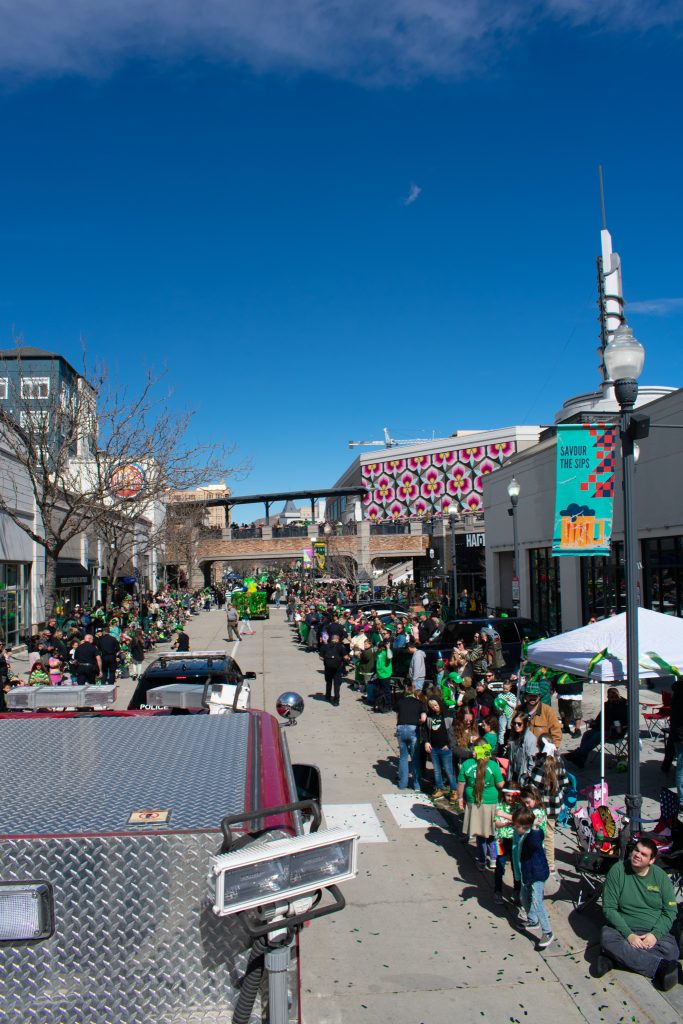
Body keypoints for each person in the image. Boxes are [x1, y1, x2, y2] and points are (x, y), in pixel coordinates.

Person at [598, 837, 679, 990]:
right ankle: (660, 968)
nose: (637, 855)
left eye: (643, 854)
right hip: (624, 930)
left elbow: (670, 911)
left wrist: (655, 934)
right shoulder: (617, 871)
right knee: (607, 938)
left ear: (651, 860)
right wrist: (629, 935)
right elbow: (609, 908)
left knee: (672, 952)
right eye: (636, 850)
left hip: (653, 932)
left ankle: (615, 960)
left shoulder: (660, 877)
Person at [456, 742, 505, 869]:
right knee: (492, 834)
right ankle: (494, 859)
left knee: (480, 835)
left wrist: (460, 798)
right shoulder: (493, 765)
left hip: (474, 803)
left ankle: (482, 861)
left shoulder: (467, 764)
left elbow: (461, 784)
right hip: (491, 803)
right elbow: (500, 785)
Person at [512, 805, 554, 949]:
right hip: (527, 873)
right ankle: (532, 920)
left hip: (537, 873)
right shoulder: (521, 835)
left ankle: (547, 932)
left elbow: (537, 840)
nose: (514, 828)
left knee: (537, 901)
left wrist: (535, 827)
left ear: (525, 826)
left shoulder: (532, 835)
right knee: (524, 896)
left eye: (517, 826)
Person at [529, 734, 569, 882]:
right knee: (550, 834)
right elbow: (564, 781)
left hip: (543, 805)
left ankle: (544, 862)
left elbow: (534, 784)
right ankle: (551, 864)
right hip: (556, 805)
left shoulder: (542, 763)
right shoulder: (559, 760)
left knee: (540, 833)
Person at [565, 687, 628, 769]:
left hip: (615, 731)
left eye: (615, 696)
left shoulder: (624, 705)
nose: (613, 699)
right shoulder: (607, 705)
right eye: (611, 697)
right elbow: (600, 718)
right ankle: (581, 759)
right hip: (602, 728)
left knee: (598, 735)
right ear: (608, 697)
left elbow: (624, 721)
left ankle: (577, 753)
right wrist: (593, 722)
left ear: (618, 696)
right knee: (587, 734)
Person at [422, 695, 458, 803]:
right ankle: (439, 788)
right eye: (431, 706)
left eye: (436, 705)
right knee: (437, 770)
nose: (434, 708)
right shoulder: (430, 716)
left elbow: (454, 732)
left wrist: (449, 744)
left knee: (448, 770)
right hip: (434, 747)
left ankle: (453, 790)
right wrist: (427, 742)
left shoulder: (448, 716)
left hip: (445, 748)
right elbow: (425, 731)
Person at [395, 683, 424, 791]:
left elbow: (397, 716)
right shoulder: (419, 703)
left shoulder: (400, 702)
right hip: (413, 728)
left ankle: (403, 783)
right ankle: (417, 785)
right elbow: (423, 718)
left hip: (401, 728)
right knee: (415, 757)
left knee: (403, 757)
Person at [522, 680, 562, 749]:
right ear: (525, 696)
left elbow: (556, 733)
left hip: (541, 752)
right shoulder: (519, 710)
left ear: (539, 696)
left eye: (535, 696)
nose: (532, 698)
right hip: (522, 750)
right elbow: (513, 732)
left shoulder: (548, 711)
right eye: (530, 695)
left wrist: (553, 749)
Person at [507, 713, 538, 787]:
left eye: (519, 724)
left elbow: (532, 762)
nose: (516, 726)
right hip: (514, 773)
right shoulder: (514, 736)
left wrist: (527, 778)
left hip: (524, 777)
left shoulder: (531, 739)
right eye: (514, 723)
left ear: (525, 724)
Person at [320, 632, 349, 707]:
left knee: (328, 682)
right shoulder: (340, 646)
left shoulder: (325, 646)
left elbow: (321, 657)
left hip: (328, 667)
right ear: (337, 639)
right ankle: (336, 700)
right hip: (337, 668)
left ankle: (328, 696)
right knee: (336, 685)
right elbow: (346, 657)